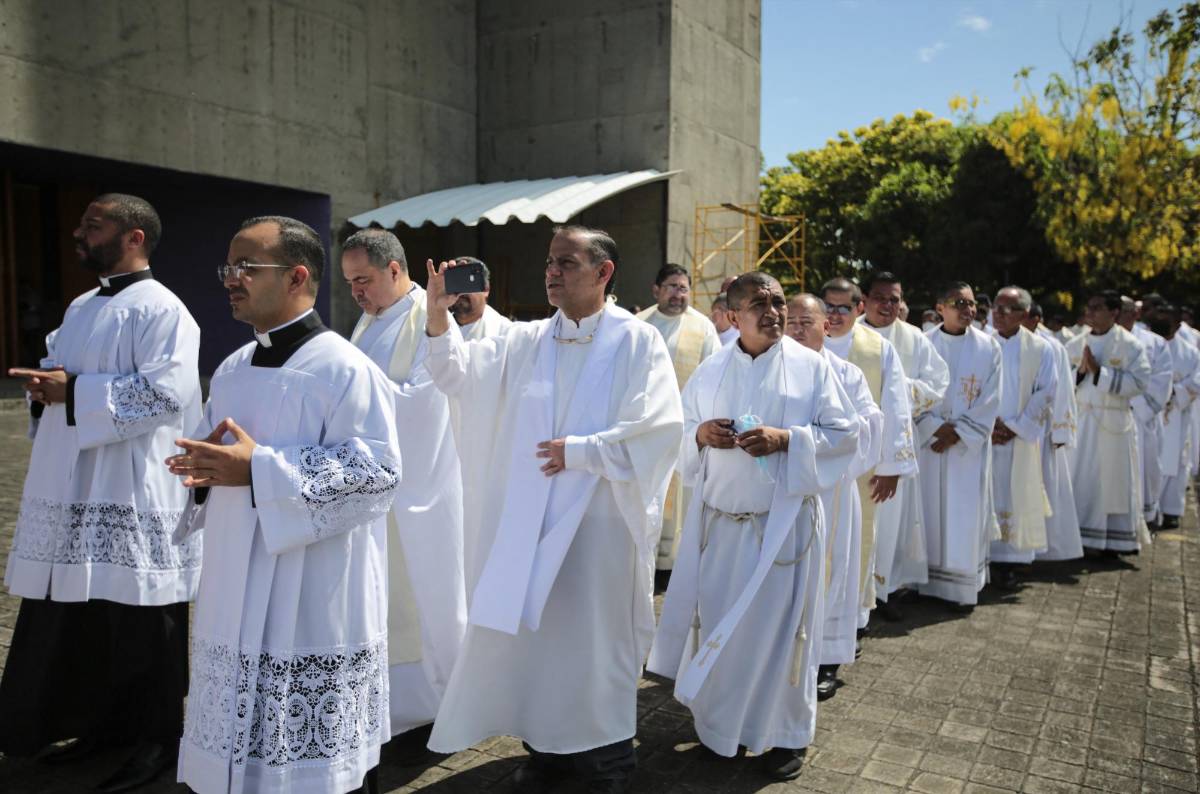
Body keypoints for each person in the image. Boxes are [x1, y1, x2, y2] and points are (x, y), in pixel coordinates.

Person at [423, 226, 683, 793]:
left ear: (604, 272)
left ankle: (608, 760)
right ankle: (548, 751)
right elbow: (454, 376)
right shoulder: (526, 340)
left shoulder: (637, 342)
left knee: (594, 645)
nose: (552, 272)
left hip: (600, 525)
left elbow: (660, 430)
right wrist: (438, 314)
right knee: (538, 645)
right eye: (549, 262)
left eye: (566, 262)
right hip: (530, 525)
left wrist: (582, 451)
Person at [169, 216, 401, 794]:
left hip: (312, 591)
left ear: (297, 276)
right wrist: (203, 472)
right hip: (233, 579)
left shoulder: (345, 369)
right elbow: (220, 458)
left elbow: (379, 475)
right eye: (229, 267)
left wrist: (260, 471)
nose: (231, 279)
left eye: (246, 267)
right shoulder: (232, 368)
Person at [0, 194, 201, 792]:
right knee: (86, 614)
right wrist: (47, 388)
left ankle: (158, 741)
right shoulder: (82, 305)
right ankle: (100, 728)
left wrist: (74, 391)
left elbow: (166, 393)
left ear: (134, 237)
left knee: (142, 620)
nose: (79, 233)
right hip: (74, 482)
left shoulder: (165, 309)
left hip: (132, 487)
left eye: (94, 225)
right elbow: (62, 376)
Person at [648, 275, 858, 780]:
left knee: (781, 637)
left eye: (778, 301)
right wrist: (700, 435)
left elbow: (845, 434)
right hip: (721, 529)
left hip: (783, 531)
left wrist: (787, 439)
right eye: (758, 303)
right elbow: (680, 430)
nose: (773, 311)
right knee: (721, 629)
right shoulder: (712, 368)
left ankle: (784, 736)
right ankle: (721, 732)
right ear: (732, 315)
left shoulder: (812, 368)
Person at [341, 229, 467, 762]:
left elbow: (425, 402)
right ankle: (387, 708)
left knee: (423, 595)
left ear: (395, 269)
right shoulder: (369, 320)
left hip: (421, 488)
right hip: (375, 485)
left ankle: (435, 707)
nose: (357, 293)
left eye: (363, 280)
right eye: (349, 283)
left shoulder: (428, 319)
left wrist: (347, 392)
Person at [786, 293, 891, 702]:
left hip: (832, 494)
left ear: (826, 327)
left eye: (806, 322)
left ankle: (826, 660)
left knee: (834, 572)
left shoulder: (847, 374)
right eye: (791, 321)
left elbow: (871, 426)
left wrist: (824, 449)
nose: (797, 329)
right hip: (784, 493)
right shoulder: (775, 369)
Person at [815, 278, 915, 694]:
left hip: (858, 475)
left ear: (859, 309)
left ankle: (837, 646)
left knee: (851, 554)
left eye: (845, 307)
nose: (836, 315)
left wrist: (891, 465)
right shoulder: (801, 341)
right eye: (830, 306)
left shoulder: (878, 349)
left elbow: (895, 406)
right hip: (808, 473)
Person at [858, 272, 949, 615]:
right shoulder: (849, 334)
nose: (887, 305)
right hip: (858, 441)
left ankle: (886, 589)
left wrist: (896, 389)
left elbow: (938, 384)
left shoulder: (914, 338)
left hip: (895, 440)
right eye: (880, 298)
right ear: (864, 300)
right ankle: (855, 593)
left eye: (894, 299)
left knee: (893, 519)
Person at [916, 282, 1001, 608]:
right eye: (959, 303)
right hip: (930, 446)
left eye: (971, 304)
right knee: (927, 511)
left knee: (964, 513)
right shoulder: (923, 343)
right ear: (940, 307)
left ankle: (960, 590)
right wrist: (933, 428)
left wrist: (957, 433)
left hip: (967, 449)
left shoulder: (988, 347)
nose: (968, 310)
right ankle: (923, 583)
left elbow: (991, 397)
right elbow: (912, 391)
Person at [636, 263, 721, 579]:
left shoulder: (703, 328)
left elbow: (715, 376)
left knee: (681, 500)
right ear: (656, 290)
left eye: (683, 288)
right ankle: (643, 561)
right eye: (671, 287)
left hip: (686, 430)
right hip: (645, 428)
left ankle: (671, 567)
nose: (678, 294)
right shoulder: (639, 325)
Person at [1065, 289, 1151, 554]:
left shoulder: (1130, 345)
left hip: (1113, 423)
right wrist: (1080, 373)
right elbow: (1061, 381)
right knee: (1081, 477)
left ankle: (1114, 541)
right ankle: (1078, 538)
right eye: (1089, 306)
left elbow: (1140, 382)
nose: (1090, 312)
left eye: (1097, 307)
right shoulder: (1075, 343)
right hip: (1082, 421)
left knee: (1113, 483)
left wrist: (1100, 372)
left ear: (1114, 312)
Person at [987, 288, 1058, 588]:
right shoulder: (982, 342)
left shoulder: (1041, 348)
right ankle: (983, 558)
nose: (998, 314)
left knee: (1015, 496)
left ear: (1024, 314)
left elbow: (1046, 391)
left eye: (1007, 309)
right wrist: (986, 425)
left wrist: (1014, 428)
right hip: (984, 436)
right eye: (996, 307)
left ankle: (1010, 563)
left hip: (1018, 437)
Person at [1023, 304, 1083, 562]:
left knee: (1043, 485)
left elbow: (1062, 390)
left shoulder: (1051, 347)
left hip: (1040, 429)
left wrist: (1061, 430)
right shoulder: (998, 341)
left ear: (1035, 319)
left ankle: (1042, 545)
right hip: (1008, 428)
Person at [1120, 295, 1173, 526]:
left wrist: (1131, 402)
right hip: (1107, 416)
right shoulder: (1103, 339)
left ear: (1136, 314)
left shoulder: (1155, 343)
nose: (1118, 317)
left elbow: (1162, 382)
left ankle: (1144, 518)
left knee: (1145, 468)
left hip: (1142, 419)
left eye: (1124, 312)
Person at [1153, 304, 1200, 529]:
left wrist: (1174, 391)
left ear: (1178, 324)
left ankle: (1172, 509)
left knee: (1177, 461)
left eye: (1168, 319)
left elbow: (1197, 380)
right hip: (1152, 412)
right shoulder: (1149, 346)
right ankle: (1150, 507)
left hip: (1177, 414)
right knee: (1151, 458)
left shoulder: (1190, 352)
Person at [449, 256, 513, 341]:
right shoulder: (436, 328)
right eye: (457, 283)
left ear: (486, 289)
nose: (461, 291)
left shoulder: (504, 333)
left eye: (468, 282)